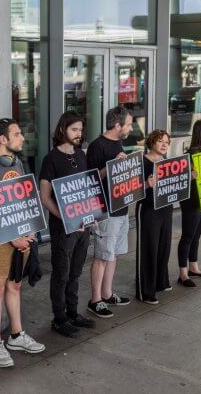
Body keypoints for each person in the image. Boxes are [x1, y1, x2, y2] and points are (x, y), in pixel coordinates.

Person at [0, 118, 45, 367]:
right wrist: (12, 237)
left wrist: (29, 233)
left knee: (15, 286)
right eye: (17, 134)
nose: (22, 138)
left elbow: (27, 200)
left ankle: (16, 335)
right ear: (2, 139)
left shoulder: (18, 162)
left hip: (22, 237)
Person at [39, 111, 96, 337]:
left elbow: (87, 187)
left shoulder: (81, 155)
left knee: (76, 271)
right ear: (63, 129)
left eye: (81, 130)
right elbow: (45, 196)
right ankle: (59, 318)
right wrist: (66, 217)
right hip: (63, 227)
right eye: (74, 129)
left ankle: (72, 312)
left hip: (85, 224)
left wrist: (91, 217)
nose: (79, 134)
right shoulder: (51, 159)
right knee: (61, 273)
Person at [86, 106, 133, 318]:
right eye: (129, 124)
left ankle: (107, 293)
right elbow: (91, 179)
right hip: (106, 210)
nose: (130, 128)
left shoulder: (117, 142)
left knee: (112, 254)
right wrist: (112, 165)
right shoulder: (98, 146)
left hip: (122, 205)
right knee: (102, 255)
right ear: (118, 125)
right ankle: (95, 299)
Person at [135, 130, 173, 304]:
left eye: (167, 142)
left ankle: (160, 282)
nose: (165, 144)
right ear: (151, 142)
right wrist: (146, 184)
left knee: (163, 248)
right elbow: (129, 189)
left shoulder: (167, 162)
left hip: (165, 209)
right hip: (148, 209)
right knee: (149, 250)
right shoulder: (141, 162)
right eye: (160, 141)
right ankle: (145, 291)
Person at [177, 119, 201, 287]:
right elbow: (184, 176)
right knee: (188, 236)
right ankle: (183, 273)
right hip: (192, 200)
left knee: (197, 235)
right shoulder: (192, 152)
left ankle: (194, 267)